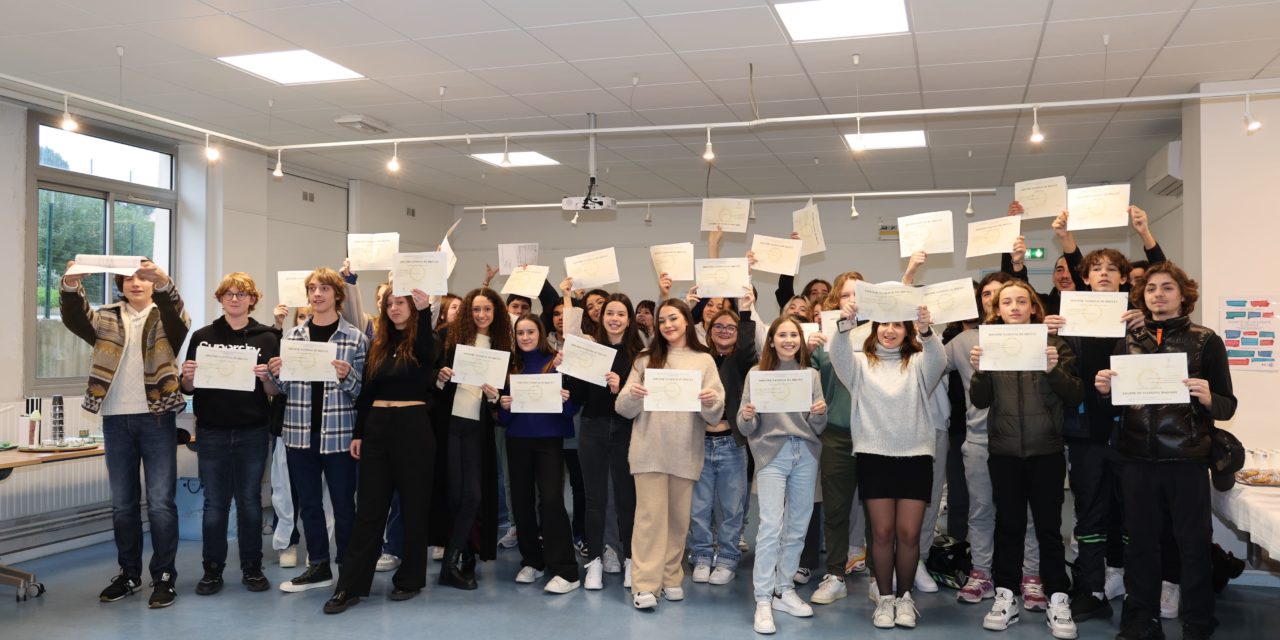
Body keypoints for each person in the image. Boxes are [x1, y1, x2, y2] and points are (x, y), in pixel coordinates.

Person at [1095, 262, 1236, 640]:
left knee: (1192, 547)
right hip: (1136, 460)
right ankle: (1141, 621)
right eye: (1151, 288)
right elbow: (1116, 405)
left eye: (1167, 288)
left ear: (1182, 295)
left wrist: (1210, 398)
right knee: (1140, 546)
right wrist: (1104, 389)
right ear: (1142, 296)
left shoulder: (1205, 340)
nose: (1158, 294)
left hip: (1186, 460)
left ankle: (1198, 622)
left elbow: (1227, 405)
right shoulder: (1128, 340)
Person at [60, 258, 189, 608]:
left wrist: (164, 280)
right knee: (123, 506)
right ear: (120, 284)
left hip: (157, 418)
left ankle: (164, 576)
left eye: (142, 278)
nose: (135, 283)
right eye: (128, 278)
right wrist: (71, 284)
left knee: (161, 504)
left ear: (151, 283)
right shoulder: (106, 317)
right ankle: (129, 574)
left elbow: (180, 318)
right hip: (115, 421)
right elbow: (74, 317)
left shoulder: (164, 317)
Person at [968, 279, 1082, 640]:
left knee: (1049, 528)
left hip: (1046, 450)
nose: (1014, 307)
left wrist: (1054, 369)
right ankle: (1005, 595)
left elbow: (1074, 394)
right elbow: (981, 399)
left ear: (1033, 307)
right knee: (1009, 525)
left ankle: (1058, 597)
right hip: (1003, 451)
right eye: (1006, 302)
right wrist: (981, 369)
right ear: (996, 310)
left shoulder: (1055, 344)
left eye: (1021, 301)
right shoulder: (989, 345)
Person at [1042, 248, 1147, 623]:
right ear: (1084, 279)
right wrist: (1049, 334)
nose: (1104, 274)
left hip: (1132, 434)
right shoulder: (1068, 322)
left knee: (1133, 515)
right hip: (1086, 434)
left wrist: (1145, 331)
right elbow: (1057, 376)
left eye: (1112, 269)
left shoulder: (1140, 322)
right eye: (1096, 269)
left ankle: (1138, 589)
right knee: (1089, 513)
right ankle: (1093, 589)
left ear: (1124, 278)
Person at [829, 300, 945, 630]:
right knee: (881, 534)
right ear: (874, 328)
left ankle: (905, 598)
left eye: (897, 324)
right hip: (873, 456)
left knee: (908, 534)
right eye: (883, 324)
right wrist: (844, 323)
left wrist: (927, 330)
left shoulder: (920, 361)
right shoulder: (860, 364)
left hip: (915, 456)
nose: (890, 330)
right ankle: (885, 598)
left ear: (907, 330)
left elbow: (940, 359)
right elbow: (837, 354)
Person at [323, 285, 436, 613]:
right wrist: (359, 433)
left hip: (413, 428)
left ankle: (410, 579)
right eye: (389, 303)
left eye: (400, 303)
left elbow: (428, 353)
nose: (394, 308)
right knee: (369, 511)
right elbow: (367, 394)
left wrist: (426, 310)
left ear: (412, 307)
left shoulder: (422, 342)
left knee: (414, 508)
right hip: (377, 429)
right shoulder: (379, 345)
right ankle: (351, 586)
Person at [944, 272, 1047, 607]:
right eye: (990, 296)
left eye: (1014, 298)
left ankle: (1030, 575)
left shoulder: (1039, 338)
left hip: (1025, 442)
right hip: (979, 440)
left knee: (1028, 512)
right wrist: (921, 328)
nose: (997, 301)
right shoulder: (964, 341)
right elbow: (925, 364)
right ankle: (981, 572)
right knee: (981, 510)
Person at [615, 299, 725, 610]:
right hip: (649, 451)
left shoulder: (704, 361)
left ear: (687, 321)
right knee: (650, 519)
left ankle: (671, 577)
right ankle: (646, 585)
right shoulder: (645, 359)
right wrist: (633, 395)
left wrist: (709, 400)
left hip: (685, 452)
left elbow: (715, 412)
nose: (667, 325)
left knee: (678, 521)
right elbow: (622, 408)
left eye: (673, 318)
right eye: (662, 320)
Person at [267, 267, 368, 594]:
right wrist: (276, 373)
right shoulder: (293, 337)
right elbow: (282, 388)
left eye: (324, 288)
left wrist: (346, 375)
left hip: (338, 434)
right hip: (299, 432)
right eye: (312, 288)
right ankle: (319, 566)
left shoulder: (355, 338)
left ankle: (349, 572)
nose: (317, 294)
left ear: (337, 295)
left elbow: (362, 392)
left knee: (343, 505)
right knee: (308, 504)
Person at [180, 272, 279, 597]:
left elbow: (275, 391)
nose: (235, 299)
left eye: (242, 294)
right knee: (214, 504)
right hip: (211, 432)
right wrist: (188, 377)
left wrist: (267, 377)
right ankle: (212, 571)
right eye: (228, 294)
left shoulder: (267, 338)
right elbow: (188, 388)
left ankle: (252, 568)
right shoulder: (203, 336)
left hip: (252, 430)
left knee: (250, 503)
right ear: (220, 299)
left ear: (253, 299)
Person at [738, 316, 828, 634]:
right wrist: (747, 415)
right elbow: (745, 425)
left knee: (798, 525)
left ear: (800, 341)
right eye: (782, 335)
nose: (788, 340)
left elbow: (818, 426)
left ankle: (783, 589)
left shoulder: (810, 375)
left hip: (805, 455)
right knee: (770, 526)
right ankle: (763, 597)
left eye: (794, 335)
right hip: (771, 455)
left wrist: (820, 413)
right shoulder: (757, 374)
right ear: (772, 340)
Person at [497, 314, 580, 594]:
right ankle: (532, 561)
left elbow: (571, 410)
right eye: (520, 333)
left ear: (540, 333)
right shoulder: (512, 366)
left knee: (552, 500)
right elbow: (503, 418)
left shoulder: (558, 362)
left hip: (548, 442)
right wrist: (503, 405)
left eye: (530, 331)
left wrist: (566, 400)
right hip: (517, 440)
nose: (525, 337)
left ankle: (566, 570)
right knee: (521, 502)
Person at [435, 287, 511, 589]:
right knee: (455, 495)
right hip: (449, 425)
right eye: (476, 309)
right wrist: (439, 379)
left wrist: (495, 398)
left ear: (496, 313)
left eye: (487, 309)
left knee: (475, 495)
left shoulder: (501, 346)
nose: (481, 315)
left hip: (477, 429)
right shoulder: (448, 339)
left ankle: (452, 562)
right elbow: (432, 385)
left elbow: (501, 397)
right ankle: (461, 558)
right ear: (468, 311)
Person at [572, 293, 646, 590]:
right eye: (608, 313)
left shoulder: (639, 355)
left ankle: (630, 559)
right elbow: (577, 398)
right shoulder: (589, 349)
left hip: (627, 430)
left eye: (620, 314)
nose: (614, 319)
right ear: (600, 319)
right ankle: (594, 564)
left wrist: (620, 388)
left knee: (627, 498)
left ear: (629, 320)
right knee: (595, 499)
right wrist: (569, 371)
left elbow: (640, 399)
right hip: (592, 427)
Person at [805, 270, 869, 605]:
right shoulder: (824, 340)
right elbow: (803, 385)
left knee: (877, 509)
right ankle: (835, 574)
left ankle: (880, 577)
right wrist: (806, 349)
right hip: (837, 434)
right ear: (835, 301)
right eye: (845, 295)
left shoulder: (882, 334)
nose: (852, 301)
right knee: (836, 509)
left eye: (858, 294)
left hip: (875, 435)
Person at [689, 290, 758, 587]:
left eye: (731, 328)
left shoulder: (743, 360)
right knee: (699, 507)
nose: (725, 331)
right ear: (708, 330)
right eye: (718, 327)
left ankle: (728, 559)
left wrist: (743, 312)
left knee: (732, 508)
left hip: (732, 444)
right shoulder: (700, 360)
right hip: (699, 443)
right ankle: (702, 556)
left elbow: (744, 342)